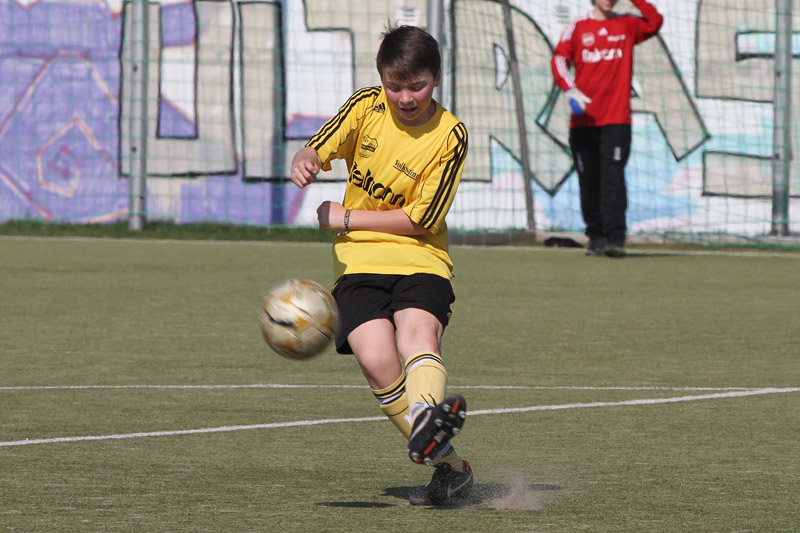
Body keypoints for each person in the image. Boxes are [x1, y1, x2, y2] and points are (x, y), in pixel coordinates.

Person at [289, 24, 472, 507]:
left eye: (417, 86)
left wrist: (344, 217)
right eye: (395, 86)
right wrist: (305, 159)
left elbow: (421, 220)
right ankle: (450, 465)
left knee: (418, 336)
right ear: (381, 78)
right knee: (376, 361)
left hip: (421, 258)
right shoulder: (366, 106)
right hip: (358, 261)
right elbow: (319, 145)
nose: (405, 97)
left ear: (437, 78)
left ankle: (428, 416)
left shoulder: (450, 134)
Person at [551, 0, 663, 257]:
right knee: (588, 179)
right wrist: (570, 89)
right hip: (584, 121)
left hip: (616, 120)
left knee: (613, 179)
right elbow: (559, 59)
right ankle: (596, 236)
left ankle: (615, 238)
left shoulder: (626, 25)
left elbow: (654, 22)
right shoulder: (578, 26)